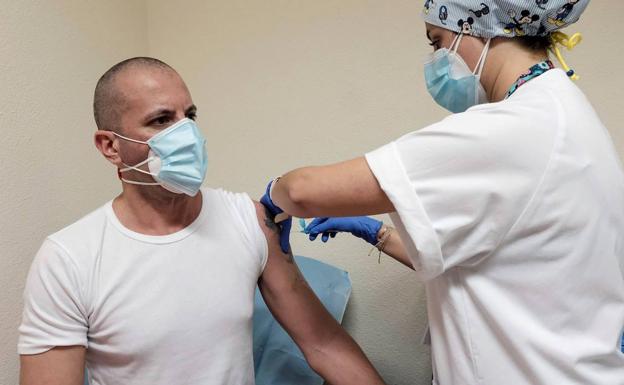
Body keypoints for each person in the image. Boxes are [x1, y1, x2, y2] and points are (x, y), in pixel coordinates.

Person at [259, 1, 624, 384]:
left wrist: (273, 195)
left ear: (478, 26)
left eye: (437, 42)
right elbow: (504, 262)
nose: (435, 60)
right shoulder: (566, 114)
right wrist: (377, 233)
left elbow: (302, 191)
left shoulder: (513, 129)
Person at [17, 57, 385, 385]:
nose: (187, 135)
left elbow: (324, 344)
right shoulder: (68, 259)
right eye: (162, 120)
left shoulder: (249, 219)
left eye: (188, 116)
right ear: (110, 146)